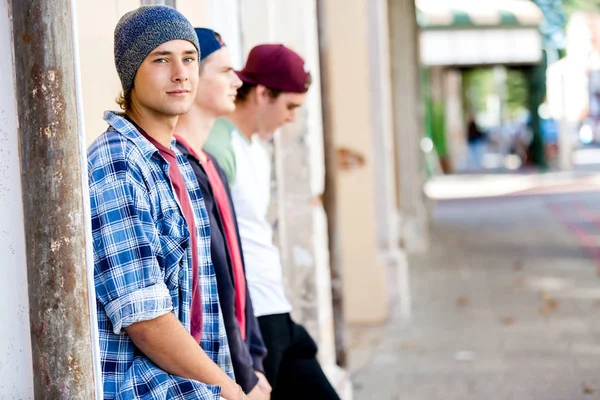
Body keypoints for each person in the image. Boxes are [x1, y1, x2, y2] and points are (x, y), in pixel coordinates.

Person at [87, 6, 244, 400]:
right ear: (131, 73)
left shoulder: (174, 160)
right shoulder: (118, 161)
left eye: (189, 59)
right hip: (140, 389)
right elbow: (145, 319)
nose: (181, 73)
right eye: (161, 59)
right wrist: (230, 391)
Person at [205, 44, 341, 400]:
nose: (293, 118)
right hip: (253, 319)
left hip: (276, 310)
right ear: (264, 93)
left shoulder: (256, 149)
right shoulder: (218, 145)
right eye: (290, 106)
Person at [174, 28, 270, 400]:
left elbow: (236, 269)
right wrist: (243, 377)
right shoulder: (178, 168)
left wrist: (255, 361)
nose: (237, 81)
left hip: (243, 363)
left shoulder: (210, 161)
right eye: (225, 71)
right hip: (216, 374)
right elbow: (211, 283)